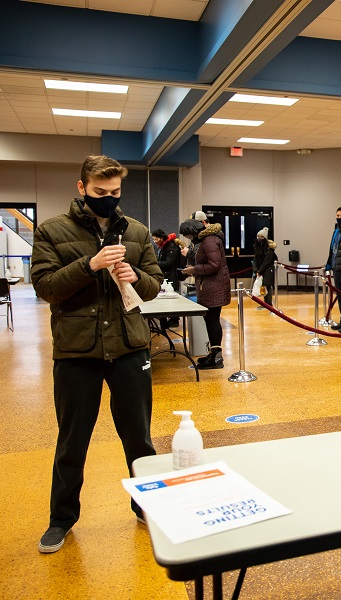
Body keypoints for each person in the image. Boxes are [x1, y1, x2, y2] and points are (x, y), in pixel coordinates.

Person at [31, 155, 163, 553]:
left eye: (115, 191)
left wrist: (136, 276)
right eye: (99, 191)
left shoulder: (136, 231)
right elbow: (46, 287)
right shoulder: (52, 230)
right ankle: (61, 519)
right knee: (72, 442)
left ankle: (146, 508)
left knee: (139, 439)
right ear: (82, 187)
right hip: (77, 352)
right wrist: (89, 265)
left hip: (129, 347)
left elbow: (154, 285)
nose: (108, 198)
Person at [181, 214, 231, 369]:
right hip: (211, 285)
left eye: (188, 235)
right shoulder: (207, 239)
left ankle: (216, 358)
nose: (189, 238)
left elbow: (214, 264)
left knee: (212, 320)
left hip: (214, 286)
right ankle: (213, 353)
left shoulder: (209, 240)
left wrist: (194, 269)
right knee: (210, 320)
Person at [253, 227, 277, 307]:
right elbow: (255, 259)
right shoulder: (257, 246)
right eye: (258, 236)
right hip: (260, 269)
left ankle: (268, 303)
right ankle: (265, 303)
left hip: (268, 269)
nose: (259, 238)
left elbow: (267, 261)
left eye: (261, 236)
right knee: (263, 285)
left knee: (267, 285)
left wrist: (260, 271)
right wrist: (256, 270)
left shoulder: (269, 248)